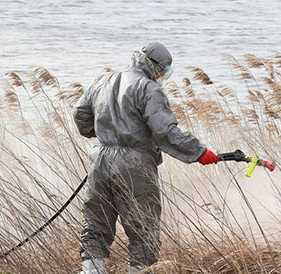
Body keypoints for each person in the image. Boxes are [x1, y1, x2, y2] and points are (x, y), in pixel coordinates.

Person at [73, 41, 218, 274]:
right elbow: (165, 131)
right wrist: (199, 152)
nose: (162, 76)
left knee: (96, 222)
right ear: (154, 66)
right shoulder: (148, 88)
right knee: (143, 226)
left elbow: (81, 117)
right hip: (135, 162)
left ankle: (91, 271)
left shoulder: (102, 80)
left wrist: (105, 136)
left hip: (99, 159)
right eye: (163, 71)